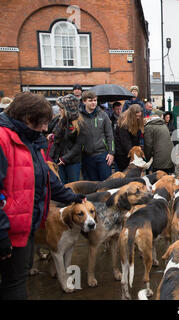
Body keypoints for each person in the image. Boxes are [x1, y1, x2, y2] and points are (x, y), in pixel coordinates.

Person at [0, 92, 85, 300]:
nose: (46, 128)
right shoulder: (3, 139)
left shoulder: (30, 140)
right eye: (43, 123)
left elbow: (47, 179)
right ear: (28, 118)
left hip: (24, 227)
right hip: (8, 230)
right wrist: (2, 231)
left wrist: (72, 197)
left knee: (17, 281)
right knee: (14, 286)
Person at [79, 90, 115, 181]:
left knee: (106, 185)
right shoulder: (79, 116)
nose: (93, 103)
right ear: (84, 101)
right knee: (91, 186)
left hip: (103, 155)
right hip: (87, 157)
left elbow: (110, 135)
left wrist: (111, 153)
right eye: (90, 100)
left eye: (95, 100)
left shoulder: (103, 115)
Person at [48, 94, 83, 184]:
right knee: (61, 185)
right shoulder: (60, 120)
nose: (59, 109)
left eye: (62, 108)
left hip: (72, 162)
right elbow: (56, 135)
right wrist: (52, 136)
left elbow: (79, 145)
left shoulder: (79, 123)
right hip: (58, 159)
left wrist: (65, 159)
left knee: (73, 187)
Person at [114, 104, 144, 172]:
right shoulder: (124, 125)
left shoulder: (136, 121)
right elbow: (125, 143)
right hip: (122, 154)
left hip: (130, 151)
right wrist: (134, 155)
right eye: (137, 116)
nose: (138, 118)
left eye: (139, 116)